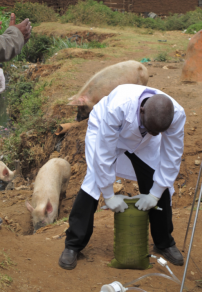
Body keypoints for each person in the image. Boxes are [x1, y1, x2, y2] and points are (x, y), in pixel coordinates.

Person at [58, 84, 186, 270]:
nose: (154, 133)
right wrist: (109, 195)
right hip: (106, 130)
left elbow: (172, 155)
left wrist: (154, 194)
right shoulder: (118, 107)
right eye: (150, 128)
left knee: (157, 179)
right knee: (93, 180)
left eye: (157, 132)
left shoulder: (176, 115)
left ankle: (164, 242)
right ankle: (73, 244)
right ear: (141, 110)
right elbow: (105, 153)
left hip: (145, 142)